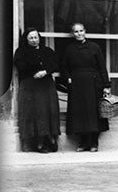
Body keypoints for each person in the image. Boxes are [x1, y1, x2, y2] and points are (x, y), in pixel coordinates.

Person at [60, 22, 112, 152]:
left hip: (93, 83)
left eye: (81, 31)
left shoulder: (94, 47)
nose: (79, 34)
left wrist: (106, 85)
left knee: (93, 113)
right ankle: (83, 143)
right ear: (73, 33)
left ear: (85, 31)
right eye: (76, 31)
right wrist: (68, 78)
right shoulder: (69, 49)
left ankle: (94, 142)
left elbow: (102, 67)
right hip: (76, 85)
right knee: (79, 113)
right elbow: (64, 67)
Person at [14, 28, 61, 153]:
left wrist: (46, 71)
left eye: (36, 37)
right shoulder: (21, 52)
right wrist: (35, 71)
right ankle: (37, 143)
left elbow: (56, 64)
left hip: (46, 85)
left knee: (47, 111)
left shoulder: (47, 51)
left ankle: (49, 138)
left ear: (39, 38)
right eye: (31, 38)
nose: (34, 40)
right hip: (30, 85)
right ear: (26, 39)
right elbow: (22, 66)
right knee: (33, 112)